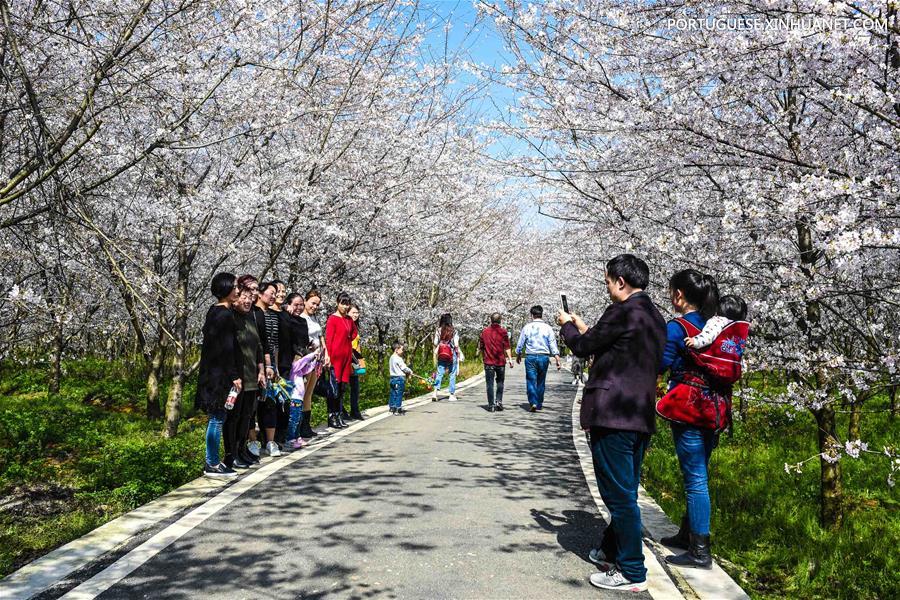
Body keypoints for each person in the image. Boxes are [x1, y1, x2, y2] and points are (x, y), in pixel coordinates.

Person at [557, 254, 667, 592]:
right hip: (639, 414)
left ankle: (632, 570)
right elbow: (625, 352)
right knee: (625, 489)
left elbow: (583, 347)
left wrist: (566, 325)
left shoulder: (621, 311)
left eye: (607, 281)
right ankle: (610, 548)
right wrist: (587, 328)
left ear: (620, 281)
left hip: (612, 414)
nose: (607, 287)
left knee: (618, 496)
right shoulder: (655, 318)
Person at [658, 269, 721, 570]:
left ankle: (700, 551)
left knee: (695, 479)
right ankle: (687, 535)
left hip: (688, 407)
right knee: (700, 472)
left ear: (679, 295)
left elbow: (661, 363)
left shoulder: (678, 327)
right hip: (716, 407)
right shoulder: (718, 325)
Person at [197, 272, 241, 478]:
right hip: (219, 377)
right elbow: (227, 349)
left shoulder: (213, 311)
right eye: (234, 286)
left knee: (216, 417)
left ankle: (212, 460)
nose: (238, 290)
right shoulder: (225, 315)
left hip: (211, 374)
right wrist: (235, 376)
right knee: (217, 418)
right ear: (225, 289)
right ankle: (212, 463)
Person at [228, 282, 267, 470]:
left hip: (252, 375)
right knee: (234, 416)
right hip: (238, 378)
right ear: (235, 299)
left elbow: (259, 346)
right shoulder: (231, 319)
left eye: (250, 297)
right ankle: (231, 454)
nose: (248, 300)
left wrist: (261, 369)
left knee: (247, 415)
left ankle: (242, 449)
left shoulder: (251, 318)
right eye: (243, 296)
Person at [252, 281, 280, 457]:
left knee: (270, 401)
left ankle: (270, 442)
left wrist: (272, 366)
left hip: (269, 363)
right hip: (253, 364)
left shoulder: (272, 315)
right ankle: (253, 441)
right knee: (252, 405)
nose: (274, 297)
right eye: (272, 293)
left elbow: (271, 344)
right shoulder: (253, 314)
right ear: (260, 294)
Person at [515, 305, 561, 412]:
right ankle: (539, 403)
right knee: (541, 381)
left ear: (532, 315)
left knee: (531, 380)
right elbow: (552, 343)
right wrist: (557, 358)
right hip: (543, 357)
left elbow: (521, 342)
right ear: (542, 314)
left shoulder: (527, 327)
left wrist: (518, 354)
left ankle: (533, 402)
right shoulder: (548, 328)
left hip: (530, 356)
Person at [325, 292, 355, 429]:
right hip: (335, 358)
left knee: (342, 388)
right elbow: (329, 339)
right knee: (334, 389)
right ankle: (331, 416)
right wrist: (329, 357)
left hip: (346, 357)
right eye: (343, 303)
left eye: (347, 303)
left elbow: (354, 333)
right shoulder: (332, 319)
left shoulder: (349, 319)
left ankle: (339, 414)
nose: (345, 306)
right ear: (337, 303)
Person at [299, 290, 325, 438]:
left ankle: (306, 425)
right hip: (306, 359)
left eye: (317, 304)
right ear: (305, 300)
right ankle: (299, 425)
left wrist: (324, 352)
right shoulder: (301, 318)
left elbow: (320, 336)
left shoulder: (314, 318)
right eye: (312, 303)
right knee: (302, 392)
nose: (314, 306)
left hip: (317, 359)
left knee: (309, 392)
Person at [477, 312, 513, 412]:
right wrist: (510, 359)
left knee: (489, 384)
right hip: (500, 362)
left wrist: (483, 358)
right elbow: (507, 347)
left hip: (488, 362)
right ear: (500, 320)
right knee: (500, 382)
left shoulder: (484, 332)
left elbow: (482, 347)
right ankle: (498, 402)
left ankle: (491, 405)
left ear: (490, 320)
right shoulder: (503, 332)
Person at [432, 313, 464, 402]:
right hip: (451, 354)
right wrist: (458, 353)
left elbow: (435, 342)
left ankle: (435, 392)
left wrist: (441, 343)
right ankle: (451, 394)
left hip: (441, 354)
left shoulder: (438, 330)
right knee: (452, 374)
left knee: (439, 373)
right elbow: (456, 344)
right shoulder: (454, 331)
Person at [347, 304, 365, 420]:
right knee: (343, 387)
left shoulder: (356, 326)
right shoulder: (347, 325)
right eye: (353, 312)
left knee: (355, 387)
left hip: (356, 359)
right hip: (348, 359)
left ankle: (354, 410)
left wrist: (361, 361)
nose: (355, 315)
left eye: (357, 313)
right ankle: (343, 411)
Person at [388, 341, 413, 415]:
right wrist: (410, 371)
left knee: (393, 393)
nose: (403, 351)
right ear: (396, 350)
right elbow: (404, 368)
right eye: (401, 349)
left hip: (392, 378)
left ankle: (392, 407)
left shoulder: (391, 358)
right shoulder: (398, 358)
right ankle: (398, 408)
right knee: (399, 393)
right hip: (399, 378)